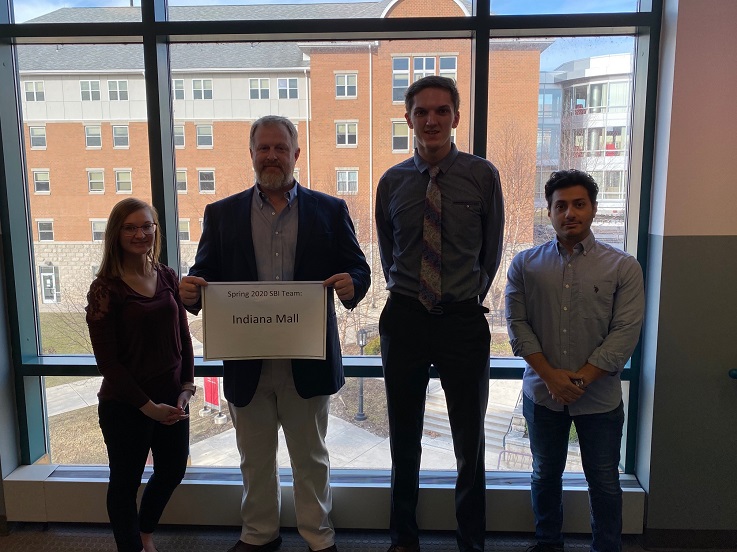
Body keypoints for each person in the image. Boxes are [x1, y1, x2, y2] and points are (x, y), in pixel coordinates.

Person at [179, 115, 370, 552]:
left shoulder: (330, 210)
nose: (271, 156)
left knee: (311, 459)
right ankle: (259, 535)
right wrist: (192, 290)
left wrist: (352, 283)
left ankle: (318, 537)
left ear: (295, 154)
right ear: (251, 155)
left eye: (280, 148)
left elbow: (359, 267)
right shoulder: (221, 214)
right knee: (255, 459)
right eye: (262, 148)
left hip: (308, 359)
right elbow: (204, 275)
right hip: (248, 363)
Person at [375, 75, 505, 552]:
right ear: (408, 118)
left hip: (462, 321)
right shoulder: (391, 181)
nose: (431, 120)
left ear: (456, 117)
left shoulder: (482, 175)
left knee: (468, 444)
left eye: (441, 111)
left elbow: (490, 254)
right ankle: (402, 539)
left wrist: (462, 296)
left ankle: (471, 541)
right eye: (421, 112)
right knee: (403, 439)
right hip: (406, 317)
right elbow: (390, 253)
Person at [505, 170, 645, 552]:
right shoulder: (524, 265)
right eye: (560, 205)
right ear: (548, 212)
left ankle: (607, 548)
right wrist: (551, 378)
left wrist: (578, 380)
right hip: (542, 395)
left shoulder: (623, 267)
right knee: (544, 475)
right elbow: (517, 327)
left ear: (593, 209)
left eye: (579, 204)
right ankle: (548, 543)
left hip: (599, 400)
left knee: (603, 480)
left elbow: (625, 334)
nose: (570, 213)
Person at [86, 197, 195, 552]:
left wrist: (187, 386)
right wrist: (149, 408)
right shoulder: (106, 289)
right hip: (126, 406)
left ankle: (145, 532)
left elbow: (183, 337)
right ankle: (131, 547)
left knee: (172, 470)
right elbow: (109, 365)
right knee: (124, 485)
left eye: (146, 226)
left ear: (156, 230)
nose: (140, 234)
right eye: (130, 227)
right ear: (116, 234)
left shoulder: (166, 275)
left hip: (172, 401)